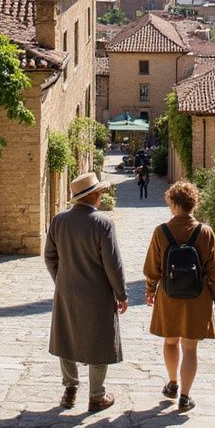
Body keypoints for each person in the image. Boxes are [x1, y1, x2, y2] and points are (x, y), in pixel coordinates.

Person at [44, 171, 128, 413]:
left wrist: (61, 278)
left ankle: (70, 389)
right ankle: (97, 395)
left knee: (66, 336)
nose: (101, 196)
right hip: (98, 292)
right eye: (99, 192)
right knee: (99, 339)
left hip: (66, 290)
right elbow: (113, 263)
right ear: (93, 196)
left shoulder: (59, 221)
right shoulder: (103, 224)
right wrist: (121, 295)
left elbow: (50, 257)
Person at [143, 180, 215, 413]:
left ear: (174, 203)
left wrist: (150, 291)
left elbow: (152, 269)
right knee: (190, 347)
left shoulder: (161, 232)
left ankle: (172, 383)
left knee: (170, 340)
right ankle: (185, 397)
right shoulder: (205, 232)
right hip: (198, 297)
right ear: (192, 204)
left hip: (168, 296)